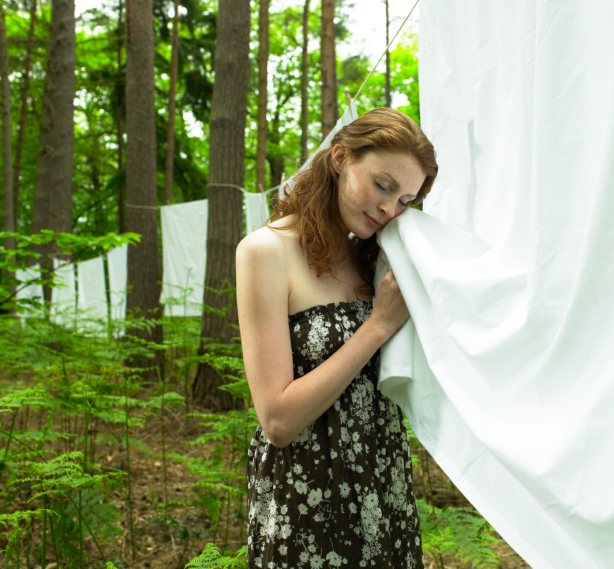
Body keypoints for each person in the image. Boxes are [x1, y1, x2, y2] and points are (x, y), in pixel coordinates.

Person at [236, 107, 438, 569]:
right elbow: (277, 421)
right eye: (382, 185)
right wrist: (377, 326)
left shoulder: (379, 255)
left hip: (383, 486)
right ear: (340, 158)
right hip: (307, 500)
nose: (390, 209)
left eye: (406, 200)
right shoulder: (265, 252)